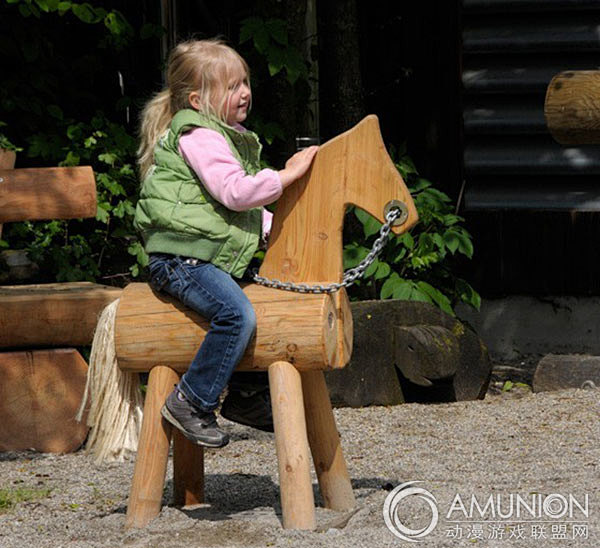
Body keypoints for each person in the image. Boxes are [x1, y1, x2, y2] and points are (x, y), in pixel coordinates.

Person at [134, 39, 318, 448]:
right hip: (183, 258)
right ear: (198, 99)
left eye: (246, 82)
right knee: (237, 316)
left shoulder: (225, 135)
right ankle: (191, 400)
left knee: (265, 299)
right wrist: (286, 175)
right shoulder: (200, 136)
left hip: (203, 255)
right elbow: (236, 193)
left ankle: (246, 397)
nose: (245, 92)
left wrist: (274, 230)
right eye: (232, 86)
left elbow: (238, 212)